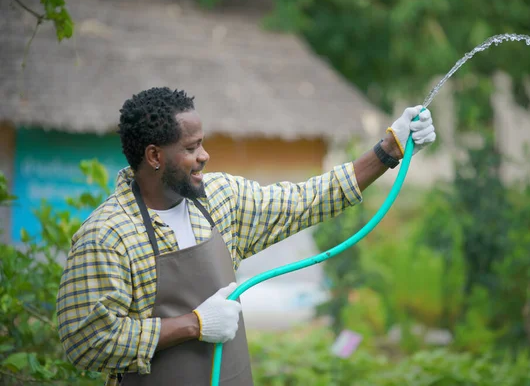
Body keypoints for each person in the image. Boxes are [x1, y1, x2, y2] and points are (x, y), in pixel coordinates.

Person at [56, 87, 436, 386]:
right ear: (155, 156)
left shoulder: (221, 199)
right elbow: (87, 342)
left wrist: (389, 149)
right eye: (191, 148)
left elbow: (307, 199)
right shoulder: (106, 235)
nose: (205, 156)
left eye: (202, 143)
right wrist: (195, 324)